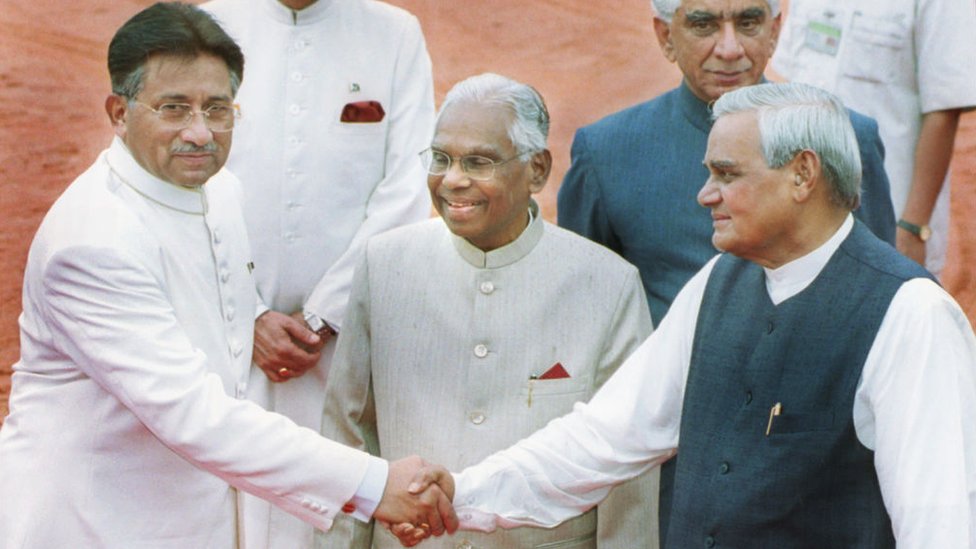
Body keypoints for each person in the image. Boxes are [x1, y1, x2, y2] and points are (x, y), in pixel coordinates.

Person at [401, 82, 976, 548]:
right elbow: (603, 438)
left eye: (727, 174)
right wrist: (462, 492)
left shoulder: (912, 314)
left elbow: (939, 525)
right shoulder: (718, 282)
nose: (705, 194)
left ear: (802, 174)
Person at [0, 4, 455, 547]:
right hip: (87, 523)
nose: (200, 133)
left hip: (183, 517)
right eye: (174, 108)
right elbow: (193, 414)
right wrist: (375, 485)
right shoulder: (93, 242)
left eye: (217, 109)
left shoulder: (219, 193)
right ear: (119, 113)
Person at [555, 0, 897, 540]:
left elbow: (876, 292)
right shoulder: (609, 152)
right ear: (664, 35)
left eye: (749, 21)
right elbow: (586, 325)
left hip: (822, 476)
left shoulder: (846, 138)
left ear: (777, 29)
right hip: (670, 471)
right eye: (704, 23)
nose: (731, 47)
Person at [320, 73, 659, 549]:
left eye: (478, 162)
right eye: (441, 158)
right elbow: (348, 437)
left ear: (537, 170)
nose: (453, 180)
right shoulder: (384, 265)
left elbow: (626, 464)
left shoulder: (606, 283)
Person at [199, 0, 435, 546]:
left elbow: (408, 184)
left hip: (346, 336)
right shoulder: (205, 25)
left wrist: (323, 316)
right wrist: (249, 311)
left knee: (336, 508)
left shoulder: (393, 34)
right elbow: (181, 178)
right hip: (223, 329)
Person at [771, 0, 976, 276]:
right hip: (805, 209)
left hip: (886, 215)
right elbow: (790, 80)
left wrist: (913, 227)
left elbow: (942, 108)